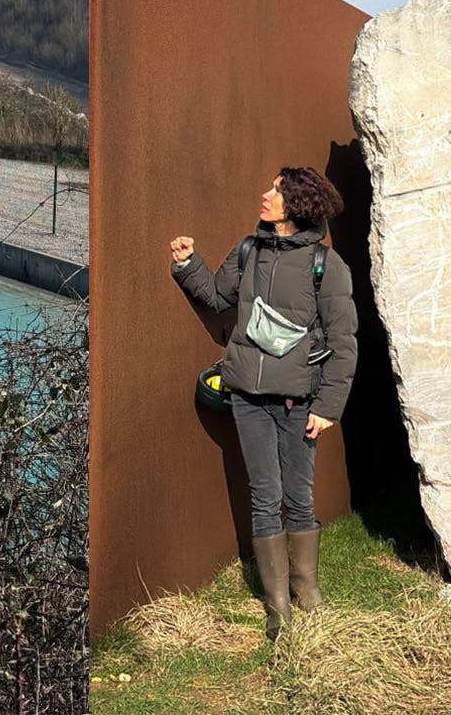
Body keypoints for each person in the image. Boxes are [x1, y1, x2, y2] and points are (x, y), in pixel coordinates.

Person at [169, 166, 358, 640]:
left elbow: (344, 342)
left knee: (298, 496)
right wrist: (187, 264)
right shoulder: (248, 250)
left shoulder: (326, 265)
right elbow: (217, 296)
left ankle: (307, 592)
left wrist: (327, 408)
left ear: (297, 204)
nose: (266, 194)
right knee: (264, 496)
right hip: (247, 399)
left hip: (299, 402)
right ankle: (278, 610)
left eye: (277, 190)